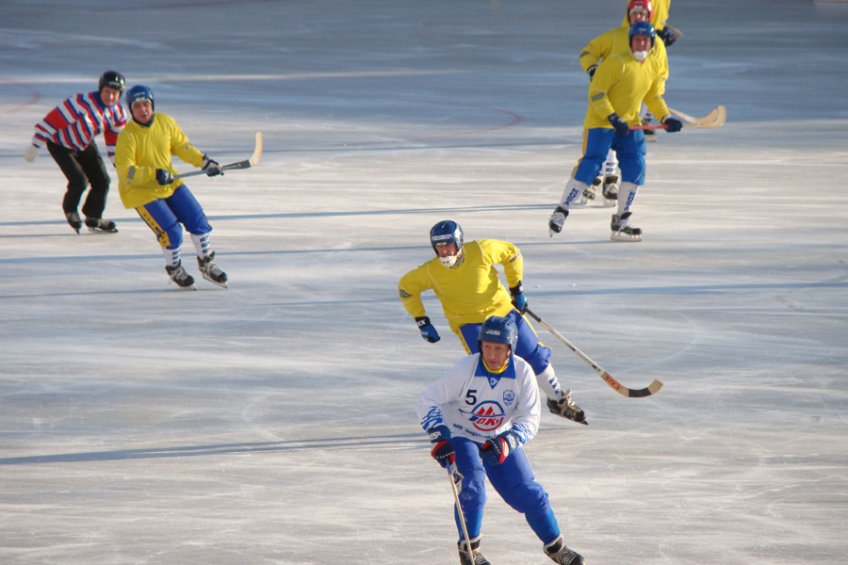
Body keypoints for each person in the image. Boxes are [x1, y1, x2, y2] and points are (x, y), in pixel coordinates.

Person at [417, 316, 585, 565]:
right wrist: (438, 435)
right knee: (472, 487)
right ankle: (470, 552)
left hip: (499, 436)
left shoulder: (523, 372)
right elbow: (429, 397)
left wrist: (509, 441)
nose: (492, 354)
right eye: (487, 347)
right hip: (462, 435)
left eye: (498, 348)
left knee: (529, 493)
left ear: (510, 348)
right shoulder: (466, 369)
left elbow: (530, 418)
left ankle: (556, 547)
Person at [399, 220, 586, 424]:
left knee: (535, 356)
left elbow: (512, 253)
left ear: (459, 242)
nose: (444, 252)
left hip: (504, 313)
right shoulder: (431, 271)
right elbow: (406, 288)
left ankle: (557, 399)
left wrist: (516, 289)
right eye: (439, 247)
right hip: (471, 325)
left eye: (448, 245)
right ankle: (497, 415)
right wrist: (422, 320)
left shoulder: (481, 250)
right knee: (493, 368)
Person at [548, 21, 683, 242]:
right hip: (601, 122)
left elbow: (652, 96)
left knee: (636, 167)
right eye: (637, 40)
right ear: (631, 41)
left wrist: (665, 117)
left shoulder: (652, 65)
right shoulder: (615, 62)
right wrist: (612, 116)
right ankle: (561, 211)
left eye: (645, 41)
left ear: (651, 44)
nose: (641, 44)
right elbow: (596, 93)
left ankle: (621, 221)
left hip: (629, 124)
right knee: (591, 166)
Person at [114, 85, 228, 290]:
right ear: (131, 110)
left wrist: (204, 162)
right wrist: (153, 174)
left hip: (170, 183)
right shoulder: (127, 136)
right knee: (172, 231)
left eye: (146, 104)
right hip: (141, 192)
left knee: (197, 218)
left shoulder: (165, 122)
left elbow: (183, 147)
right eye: (137, 106)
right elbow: (126, 172)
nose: (143, 110)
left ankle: (207, 263)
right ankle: (174, 269)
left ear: (152, 105)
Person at [577, 0, 667, 206]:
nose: (638, 16)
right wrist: (592, 68)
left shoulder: (657, 44)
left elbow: (661, 73)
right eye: (634, 12)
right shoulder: (616, 36)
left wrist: (656, 98)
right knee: (599, 142)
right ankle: (592, 178)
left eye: (642, 13)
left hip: (635, 101)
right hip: (607, 100)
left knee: (627, 143)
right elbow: (587, 52)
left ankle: (610, 180)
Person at [24, 70, 128, 234]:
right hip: (60, 145)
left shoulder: (118, 113)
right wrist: (36, 145)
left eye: (115, 93)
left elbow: (115, 142)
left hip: (84, 144)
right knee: (79, 181)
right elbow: (51, 121)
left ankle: (93, 217)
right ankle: (71, 210)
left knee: (102, 181)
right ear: (101, 89)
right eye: (107, 91)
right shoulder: (81, 103)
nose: (111, 97)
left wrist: (120, 164)